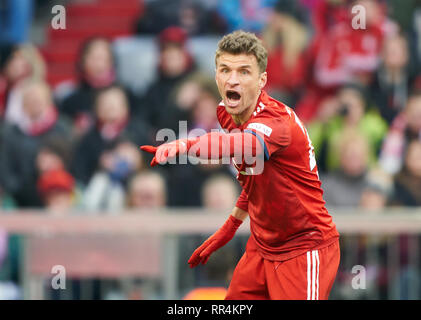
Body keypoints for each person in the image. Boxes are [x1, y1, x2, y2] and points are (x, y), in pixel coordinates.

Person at [141, 30, 340, 300]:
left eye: (244, 72)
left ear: (262, 81)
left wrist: (187, 144)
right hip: (262, 245)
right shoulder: (227, 111)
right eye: (225, 70)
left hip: (303, 248)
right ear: (216, 77)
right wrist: (229, 228)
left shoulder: (276, 121)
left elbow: (238, 146)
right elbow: (254, 179)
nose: (232, 80)